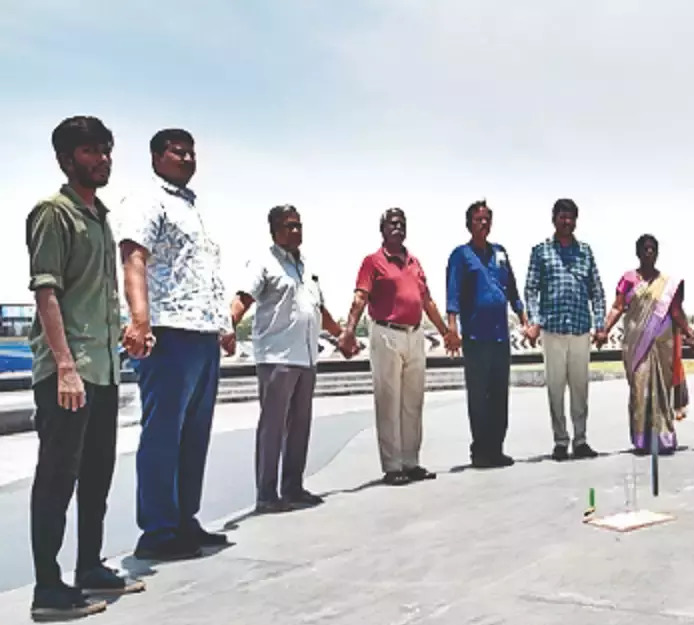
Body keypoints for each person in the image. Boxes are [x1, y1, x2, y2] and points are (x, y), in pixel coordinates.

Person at [26, 116, 145, 621]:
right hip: (67, 373)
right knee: (57, 476)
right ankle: (48, 589)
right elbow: (46, 292)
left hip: (103, 369)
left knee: (96, 473)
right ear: (66, 158)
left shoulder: (100, 216)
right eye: (91, 151)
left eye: (107, 150)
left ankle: (89, 566)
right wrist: (65, 367)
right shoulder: (53, 213)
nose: (102, 159)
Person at [117, 128, 235, 561]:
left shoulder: (191, 209)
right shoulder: (147, 200)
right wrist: (140, 320)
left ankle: (185, 520)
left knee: (195, 435)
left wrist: (222, 324)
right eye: (176, 151)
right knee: (164, 433)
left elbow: (200, 273)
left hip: (201, 334)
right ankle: (158, 531)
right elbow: (134, 258)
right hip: (168, 331)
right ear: (155, 156)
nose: (186, 158)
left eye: (191, 152)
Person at [229, 206, 347, 513]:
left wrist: (342, 336)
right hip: (276, 356)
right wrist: (226, 326)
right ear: (274, 230)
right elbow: (243, 298)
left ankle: (293, 487)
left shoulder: (305, 267)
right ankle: (267, 494)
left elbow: (319, 310)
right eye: (288, 226)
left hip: (306, 357)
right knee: (273, 425)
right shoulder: (264, 264)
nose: (295, 231)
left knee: (300, 425)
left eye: (298, 226)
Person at [338, 209, 458, 485]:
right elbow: (360, 298)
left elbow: (427, 301)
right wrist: (348, 332)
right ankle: (393, 466)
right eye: (392, 223)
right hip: (386, 334)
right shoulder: (373, 262)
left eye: (402, 223)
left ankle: (411, 461)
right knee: (389, 401)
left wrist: (446, 332)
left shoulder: (414, 262)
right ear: (382, 229)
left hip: (415, 335)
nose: (397, 227)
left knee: (413, 401)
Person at [446, 201, 529, 469]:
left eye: (487, 219)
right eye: (478, 220)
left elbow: (513, 289)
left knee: (499, 395)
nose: (483, 224)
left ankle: (497, 448)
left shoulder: (500, 253)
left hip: (500, 337)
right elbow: (453, 293)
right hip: (475, 338)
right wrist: (452, 328)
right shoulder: (461, 256)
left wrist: (523, 318)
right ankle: (480, 450)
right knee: (479, 397)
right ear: (469, 224)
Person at [523, 198, 607, 461]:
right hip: (553, 330)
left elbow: (597, 291)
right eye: (562, 217)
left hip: (581, 329)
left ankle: (580, 440)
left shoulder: (585, 252)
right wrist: (534, 321)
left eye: (571, 217)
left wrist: (601, 325)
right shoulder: (541, 251)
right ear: (554, 219)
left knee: (580, 388)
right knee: (556, 388)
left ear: (576, 220)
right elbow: (530, 290)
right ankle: (561, 441)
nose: (566, 221)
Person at [602, 235, 694, 454]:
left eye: (653, 249)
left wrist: (689, 332)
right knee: (639, 389)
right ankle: (642, 439)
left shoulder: (666, 283)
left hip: (662, 344)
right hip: (636, 344)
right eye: (645, 249)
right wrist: (604, 329)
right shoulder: (628, 279)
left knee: (662, 389)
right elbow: (617, 307)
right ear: (638, 252)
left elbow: (675, 311)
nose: (649, 253)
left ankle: (663, 437)